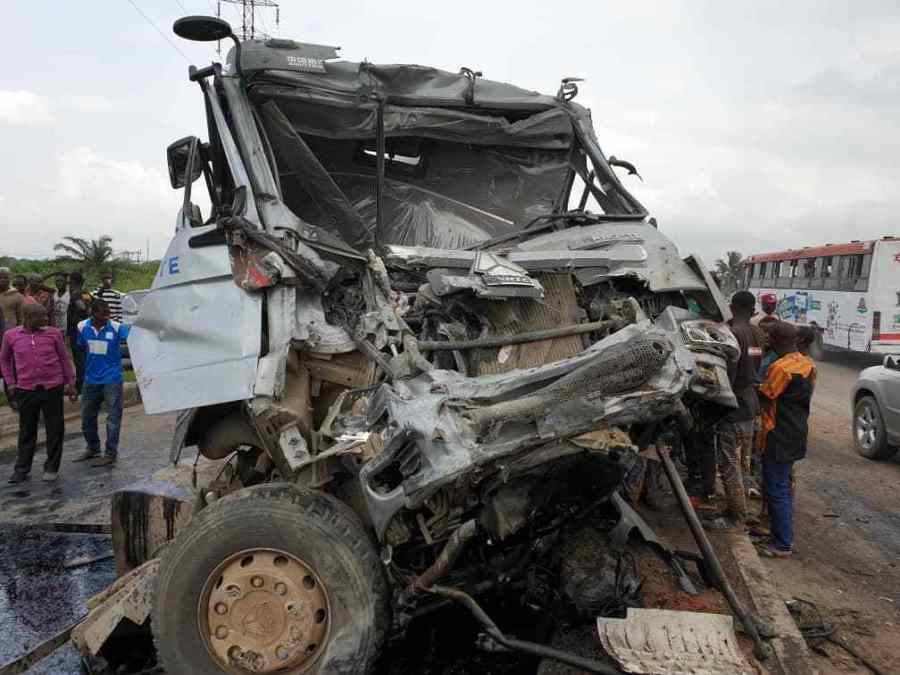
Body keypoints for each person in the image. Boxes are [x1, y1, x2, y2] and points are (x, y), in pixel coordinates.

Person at [1, 304, 77, 483]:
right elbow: (4, 359)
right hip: (26, 389)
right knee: (27, 430)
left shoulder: (54, 333)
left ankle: (51, 467)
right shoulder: (10, 336)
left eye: (46, 316)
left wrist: (71, 383)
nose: (45, 320)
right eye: (41, 317)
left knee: (55, 429)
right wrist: (11, 383)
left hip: (53, 388)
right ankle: (22, 468)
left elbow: (64, 358)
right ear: (28, 317)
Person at [758, 321, 815, 558]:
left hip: (777, 432)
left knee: (776, 488)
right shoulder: (807, 364)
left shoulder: (780, 368)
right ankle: (779, 534)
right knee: (783, 484)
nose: (768, 341)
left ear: (781, 340)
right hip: (796, 430)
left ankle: (782, 544)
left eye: (771, 338)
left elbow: (767, 394)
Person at [73, 298, 129, 467]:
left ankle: (110, 453)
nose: (107, 316)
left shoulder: (118, 328)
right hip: (91, 379)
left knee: (113, 418)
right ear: (93, 313)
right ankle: (93, 448)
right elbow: (81, 348)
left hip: (112, 379)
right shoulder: (82, 327)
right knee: (86, 417)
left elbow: (136, 339)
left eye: (108, 313)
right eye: (103, 313)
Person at [66, 272, 92, 394]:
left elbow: (82, 308)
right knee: (85, 357)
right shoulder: (86, 293)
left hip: (77, 331)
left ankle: (82, 385)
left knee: (79, 359)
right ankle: (86, 382)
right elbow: (89, 308)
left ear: (73, 282)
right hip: (86, 329)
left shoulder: (76, 295)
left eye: (70, 282)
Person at [0, 268, 24, 333]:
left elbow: (21, 318)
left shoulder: (17, 296)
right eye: (0, 278)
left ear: (10, 279)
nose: (2, 280)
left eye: (5, 278)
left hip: (11, 332)